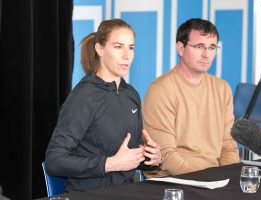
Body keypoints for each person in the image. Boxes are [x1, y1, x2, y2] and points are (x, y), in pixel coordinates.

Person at [45, 19, 162, 192]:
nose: (126, 55)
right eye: (118, 46)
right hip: (89, 195)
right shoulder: (83, 97)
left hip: (128, 192)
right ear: (100, 49)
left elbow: (132, 155)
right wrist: (110, 164)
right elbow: (54, 161)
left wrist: (152, 158)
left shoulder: (131, 94)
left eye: (131, 47)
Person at [142, 18, 240, 178]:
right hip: (173, 182)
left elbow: (228, 146)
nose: (206, 54)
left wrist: (229, 178)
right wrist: (205, 181)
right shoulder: (161, 90)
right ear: (180, 48)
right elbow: (166, 155)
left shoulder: (222, 88)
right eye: (199, 46)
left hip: (214, 180)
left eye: (212, 47)